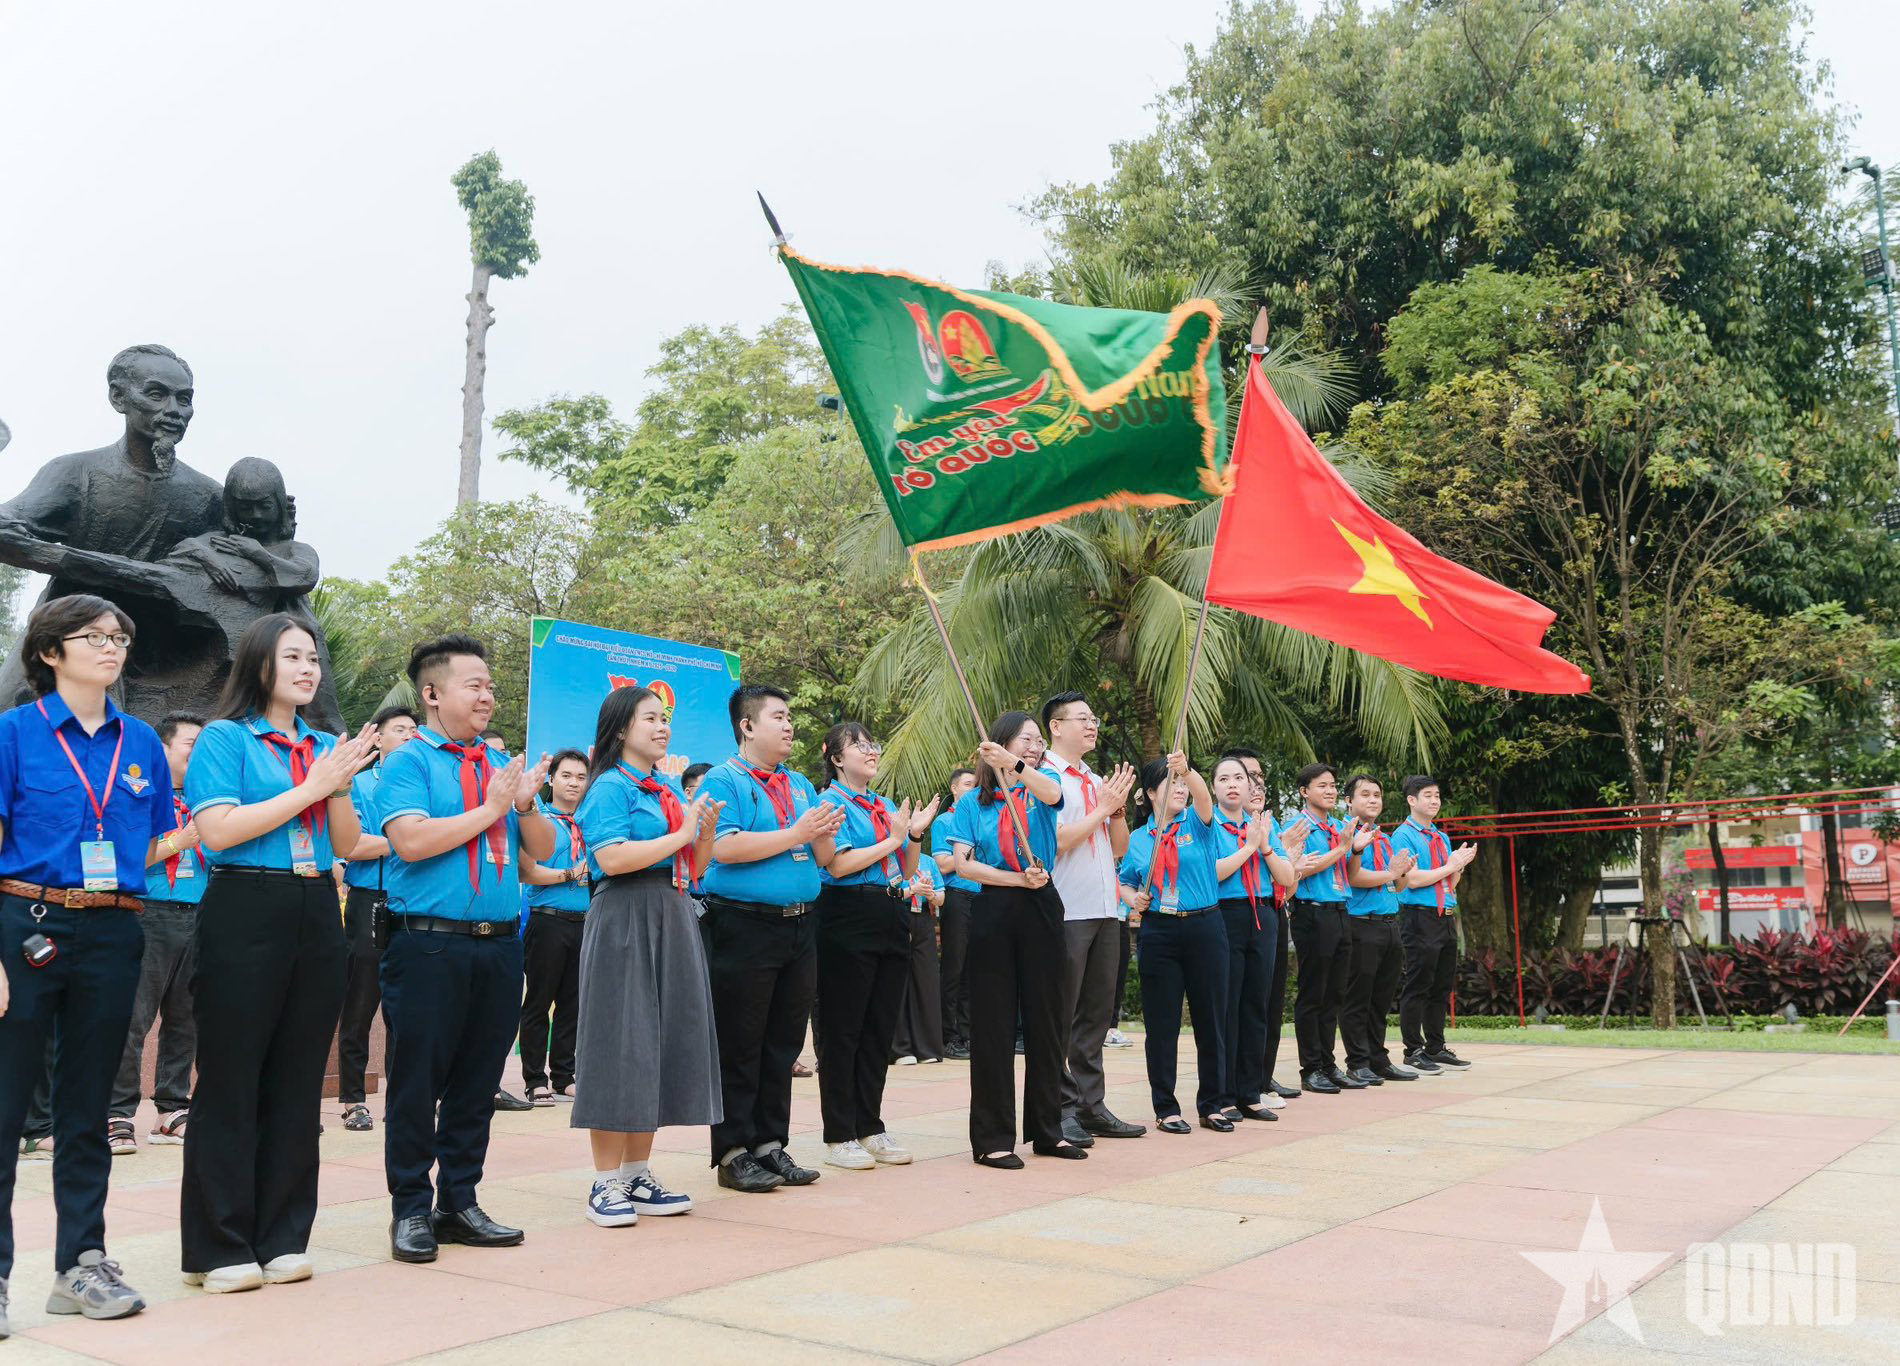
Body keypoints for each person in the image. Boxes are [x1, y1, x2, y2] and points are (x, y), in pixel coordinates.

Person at [180, 613, 378, 1293]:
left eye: (313, 658)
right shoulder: (225, 739)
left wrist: (342, 785)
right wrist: (314, 787)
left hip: (317, 905)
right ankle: (219, 1245)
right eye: (292, 656)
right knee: (233, 1076)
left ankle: (284, 1235)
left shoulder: (326, 744)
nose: (307, 669)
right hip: (245, 904)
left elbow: (348, 844)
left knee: (298, 1079)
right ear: (259, 664)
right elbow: (219, 830)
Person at [0, 595, 176, 1330]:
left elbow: (154, 839)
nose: (111, 648)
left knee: (89, 1109)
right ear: (50, 652)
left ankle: (81, 1264)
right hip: (26, 926)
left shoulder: (140, 743)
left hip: (113, 931)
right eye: (93, 637)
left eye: (120, 638)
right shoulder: (13, 733)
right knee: (6, 1108)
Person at [377, 635, 554, 1264]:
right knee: (417, 1080)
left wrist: (523, 802)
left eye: (489, 685)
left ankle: (459, 1199)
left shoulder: (497, 766)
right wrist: (494, 806)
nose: (487, 695)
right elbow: (413, 842)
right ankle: (409, 1207)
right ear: (431, 694)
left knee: (478, 1079)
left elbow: (546, 850)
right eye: (473, 684)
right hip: (428, 945)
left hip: (501, 945)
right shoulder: (408, 762)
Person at [570, 686, 722, 1226]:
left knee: (656, 1043)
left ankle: (637, 1172)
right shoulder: (609, 786)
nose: (662, 727)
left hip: (672, 911)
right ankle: (604, 1182)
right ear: (619, 730)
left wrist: (700, 833)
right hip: (626, 918)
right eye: (649, 719)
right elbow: (610, 857)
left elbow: (695, 863)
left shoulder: (662, 789)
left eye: (665, 719)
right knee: (619, 1042)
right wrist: (682, 830)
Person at [697, 684, 845, 1192]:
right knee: (741, 1041)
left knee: (783, 1041)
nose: (789, 726)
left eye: (790, 718)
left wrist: (823, 831)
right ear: (747, 725)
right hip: (744, 924)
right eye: (778, 717)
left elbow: (824, 857)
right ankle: (733, 1150)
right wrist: (798, 834)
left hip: (801, 923)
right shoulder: (723, 779)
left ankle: (769, 1144)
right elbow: (724, 847)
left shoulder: (800, 782)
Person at [947, 711, 1082, 1169]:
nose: (1036, 744)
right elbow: (964, 865)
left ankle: (1049, 1130)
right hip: (996, 905)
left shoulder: (1039, 787)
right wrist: (1012, 879)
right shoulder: (972, 804)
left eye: (1039, 740)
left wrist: (1018, 766)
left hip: (1043, 901)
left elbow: (1055, 792)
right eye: (1027, 739)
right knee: (994, 1022)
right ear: (1000, 742)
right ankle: (992, 1138)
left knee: (1047, 1019)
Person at [812, 723, 936, 1172]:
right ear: (836, 758)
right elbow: (840, 864)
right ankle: (839, 1133)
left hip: (891, 908)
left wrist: (914, 837)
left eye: (873, 744)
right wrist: (894, 838)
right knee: (843, 1028)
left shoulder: (883, 805)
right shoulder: (829, 802)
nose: (870, 752)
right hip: (846, 913)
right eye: (858, 746)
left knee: (879, 1027)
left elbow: (904, 866)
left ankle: (871, 1124)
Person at [1038, 692, 1142, 1150]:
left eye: (1094, 718)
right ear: (1055, 727)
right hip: (1066, 910)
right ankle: (1057, 1109)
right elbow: (1056, 841)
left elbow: (1118, 847)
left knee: (1097, 1014)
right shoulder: (1044, 778)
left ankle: (1090, 1104)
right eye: (1082, 718)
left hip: (1105, 909)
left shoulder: (1094, 778)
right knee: (1061, 1015)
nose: (1092, 725)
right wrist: (1102, 808)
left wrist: (1115, 809)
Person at [107, 711, 206, 1156]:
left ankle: (172, 1109)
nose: (200, 752)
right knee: (133, 1018)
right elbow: (119, 860)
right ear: (163, 749)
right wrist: (175, 843)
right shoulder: (138, 796)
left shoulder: (211, 799)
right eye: (191, 744)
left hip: (201, 914)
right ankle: (117, 1113)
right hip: (148, 912)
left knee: (186, 1020)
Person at [1118, 753, 1233, 1134]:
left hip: (1205, 927)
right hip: (1159, 932)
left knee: (1211, 1019)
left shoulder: (1200, 824)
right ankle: (1165, 1107)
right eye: (1172, 784)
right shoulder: (1138, 840)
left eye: (1182, 783)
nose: (1181, 789)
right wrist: (1131, 897)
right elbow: (1124, 880)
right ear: (1151, 793)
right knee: (1162, 1024)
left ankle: (1212, 1104)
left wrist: (1187, 771)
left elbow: (1204, 796)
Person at [335, 705, 420, 1132]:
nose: (408, 735)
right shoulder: (359, 785)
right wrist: (404, 839)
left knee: (406, 1007)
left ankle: (400, 1098)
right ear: (379, 739)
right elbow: (351, 845)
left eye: (413, 729)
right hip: (369, 898)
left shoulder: (420, 783)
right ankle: (352, 1099)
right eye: (399, 730)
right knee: (361, 1000)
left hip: (413, 899)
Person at [1209, 753, 1296, 1123]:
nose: (1232, 784)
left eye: (1239, 779)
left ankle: (1250, 1091)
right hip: (1225, 914)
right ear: (1213, 788)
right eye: (1224, 779)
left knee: (1256, 1005)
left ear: (1250, 787)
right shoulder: (1206, 825)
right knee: (1226, 1006)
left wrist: (1263, 844)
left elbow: (1286, 877)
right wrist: (1247, 847)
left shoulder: (1262, 825)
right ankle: (1223, 1093)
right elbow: (1212, 874)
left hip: (1264, 914)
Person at [1284, 762, 1366, 1094]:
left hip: (1339, 910)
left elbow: (1351, 870)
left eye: (1333, 785)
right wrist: (1343, 848)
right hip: (1311, 911)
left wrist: (1354, 849)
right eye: (1322, 786)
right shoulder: (1297, 826)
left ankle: (1329, 1064)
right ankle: (1311, 1067)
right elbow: (1304, 867)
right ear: (1304, 792)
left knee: (1335, 992)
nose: (1330, 791)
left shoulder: (1341, 826)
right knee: (1313, 992)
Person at [517, 749, 590, 1106]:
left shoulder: (591, 823)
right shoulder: (538, 819)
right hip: (547, 920)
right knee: (538, 1001)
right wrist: (569, 874)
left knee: (572, 1003)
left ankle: (565, 1074)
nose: (574, 783)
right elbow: (527, 871)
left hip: (586, 923)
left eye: (580, 777)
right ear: (551, 779)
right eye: (566, 776)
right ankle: (534, 1078)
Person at [1394, 775, 1478, 1074]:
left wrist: (1459, 866)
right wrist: (1451, 866)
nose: (1434, 801)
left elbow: (1449, 881)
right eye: (1427, 795)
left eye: (1437, 796)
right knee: (1419, 984)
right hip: (1419, 916)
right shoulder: (1403, 835)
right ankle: (1413, 1050)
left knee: (1441, 986)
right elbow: (1412, 881)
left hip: (1445, 914)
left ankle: (1435, 1046)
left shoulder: (1440, 837)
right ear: (1411, 800)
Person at [1340, 775, 1420, 1086]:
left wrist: (1402, 873)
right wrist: (1391, 872)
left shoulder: (1383, 837)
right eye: (1365, 795)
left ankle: (1378, 1057)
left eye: (1377, 795)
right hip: (1361, 924)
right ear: (1350, 801)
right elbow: (1354, 876)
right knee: (1357, 998)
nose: (1373, 800)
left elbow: (1397, 885)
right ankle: (1357, 1061)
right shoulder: (1346, 834)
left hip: (1389, 923)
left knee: (1381, 998)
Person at [931, 768, 979, 1060]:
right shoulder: (944, 821)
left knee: (974, 970)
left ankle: (968, 1033)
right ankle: (948, 1035)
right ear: (955, 789)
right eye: (968, 784)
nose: (973, 788)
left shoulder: (979, 818)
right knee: (954, 967)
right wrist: (970, 850)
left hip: (981, 896)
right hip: (956, 897)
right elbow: (943, 864)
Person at [888, 858, 944, 1066]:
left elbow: (941, 897)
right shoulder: (892, 857)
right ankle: (899, 1048)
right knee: (898, 980)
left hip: (923, 918)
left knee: (926, 981)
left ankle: (927, 1046)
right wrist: (912, 889)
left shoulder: (928, 862)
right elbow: (889, 890)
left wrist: (932, 895)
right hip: (899, 913)